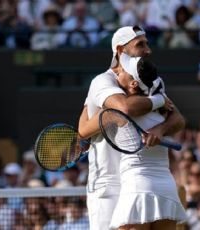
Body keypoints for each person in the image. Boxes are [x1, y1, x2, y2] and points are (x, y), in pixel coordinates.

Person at [77, 25, 184, 230]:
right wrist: (159, 99)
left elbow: (178, 119)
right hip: (107, 184)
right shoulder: (102, 81)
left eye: (147, 43)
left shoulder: (149, 80)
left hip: (135, 180)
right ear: (120, 50)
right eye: (140, 44)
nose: (148, 50)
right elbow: (124, 108)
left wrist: (159, 130)